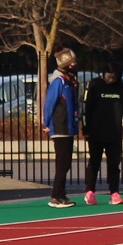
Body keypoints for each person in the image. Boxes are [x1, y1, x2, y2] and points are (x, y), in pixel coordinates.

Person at [81, 61, 123, 205]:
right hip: (96, 132)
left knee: (114, 164)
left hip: (114, 132)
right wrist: (85, 129)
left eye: (114, 77)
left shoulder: (120, 87)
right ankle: (90, 191)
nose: (111, 80)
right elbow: (86, 108)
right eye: (109, 76)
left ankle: (114, 193)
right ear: (104, 74)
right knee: (94, 162)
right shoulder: (94, 85)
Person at [43, 47, 80, 208]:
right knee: (62, 163)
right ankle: (56, 196)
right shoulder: (58, 82)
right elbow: (50, 103)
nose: (75, 65)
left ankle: (61, 194)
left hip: (68, 128)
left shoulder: (68, 82)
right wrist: (46, 123)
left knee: (65, 163)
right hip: (60, 127)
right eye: (72, 63)